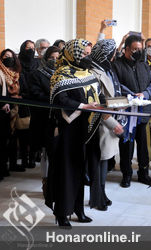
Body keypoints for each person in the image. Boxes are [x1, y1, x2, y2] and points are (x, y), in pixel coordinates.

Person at [46, 39, 101, 228]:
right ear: (74, 55)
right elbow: (60, 99)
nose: (88, 57)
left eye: (88, 54)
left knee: (81, 170)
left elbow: (97, 95)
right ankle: (62, 213)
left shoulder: (88, 72)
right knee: (67, 172)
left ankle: (79, 209)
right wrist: (82, 106)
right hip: (69, 130)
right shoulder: (60, 74)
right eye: (84, 54)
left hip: (88, 129)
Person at [112, 35, 151, 188]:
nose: (138, 52)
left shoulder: (144, 65)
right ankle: (126, 174)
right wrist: (131, 95)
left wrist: (144, 94)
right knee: (126, 144)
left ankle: (143, 173)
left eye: (140, 49)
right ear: (126, 49)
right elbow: (116, 85)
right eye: (135, 49)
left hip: (143, 111)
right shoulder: (117, 65)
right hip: (127, 111)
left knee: (144, 145)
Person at [88, 39, 125, 210]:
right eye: (111, 53)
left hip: (109, 118)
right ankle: (96, 197)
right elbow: (97, 102)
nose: (114, 56)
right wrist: (112, 123)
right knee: (98, 162)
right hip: (101, 122)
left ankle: (102, 193)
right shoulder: (93, 72)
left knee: (105, 161)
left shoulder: (106, 68)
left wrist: (124, 101)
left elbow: (110, 96)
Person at [28, 45, 60, 196]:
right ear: (45, 59)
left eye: (57, 58)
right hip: (43, 118)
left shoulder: (63, 75)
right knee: (46, 152)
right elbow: (35, 94)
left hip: (59, 118)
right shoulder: (37, 74)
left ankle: (57, 182)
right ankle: (46, 183)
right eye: (51, 58)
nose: (54, 61)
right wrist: (55, 99)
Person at [0, 49, 24, 175]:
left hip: (15, 109)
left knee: (12, 139)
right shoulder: (0, 72)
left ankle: (10, 165)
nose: (8, 58)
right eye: (5, 56)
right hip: (4, 109)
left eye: (10, 56)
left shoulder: (17, 74)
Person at [18, 40, 38, 168]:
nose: (30, 50)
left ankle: (32, 158)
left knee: (34, 130)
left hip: (36, 100)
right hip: (23, 100)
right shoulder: (18, 62)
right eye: (28, 48)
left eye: (32, 48)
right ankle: (24, 158)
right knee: (24, 130)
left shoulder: (37, 63)